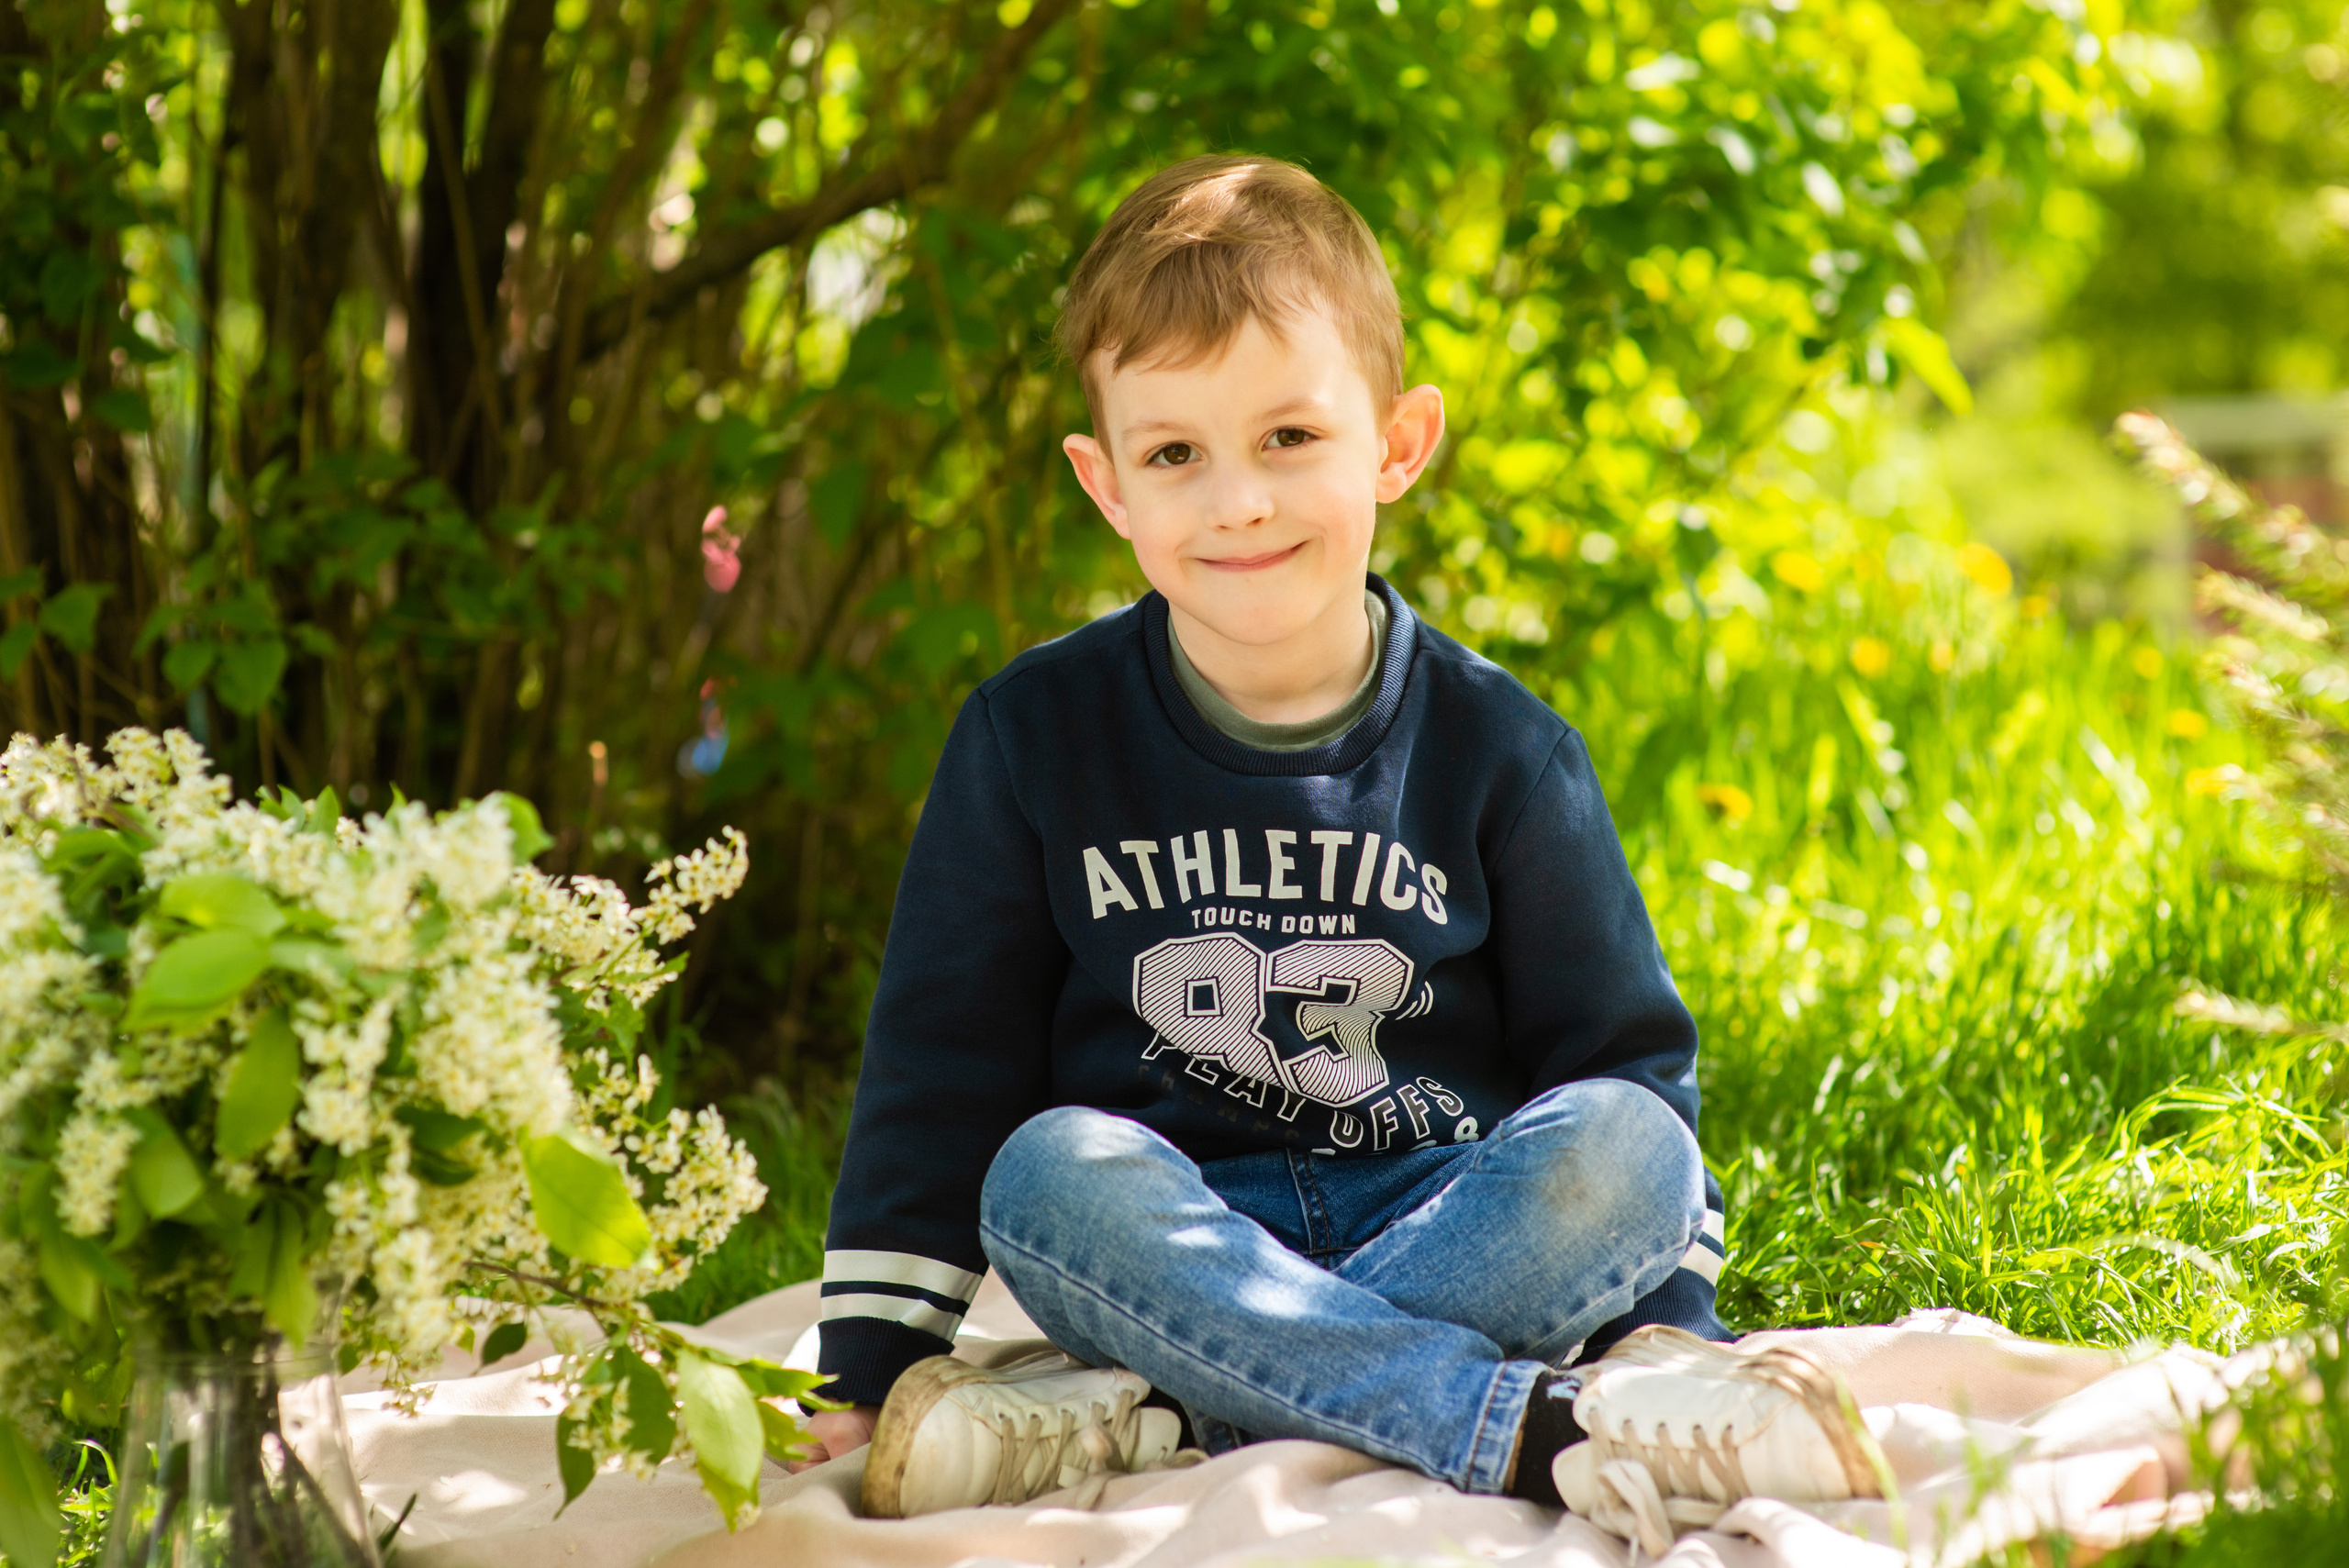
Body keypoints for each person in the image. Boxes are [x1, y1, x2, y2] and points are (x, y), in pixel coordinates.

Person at [791, 154, 1870, 1518]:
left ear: (1399, 444)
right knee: (1044, 1167)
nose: (1236, 499)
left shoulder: (1503, 750)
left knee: (1633, 1143)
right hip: (1166, 1231)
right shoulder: (1033, 736)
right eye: (1174, 452)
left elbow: (1622, 1063)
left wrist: (1671, 1335)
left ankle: (1167, 1413)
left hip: (1448, 1213)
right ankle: (1526, 1427)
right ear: (1105, 481)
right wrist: (871, 1369)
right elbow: (938, 1067)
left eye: (1289, 438)